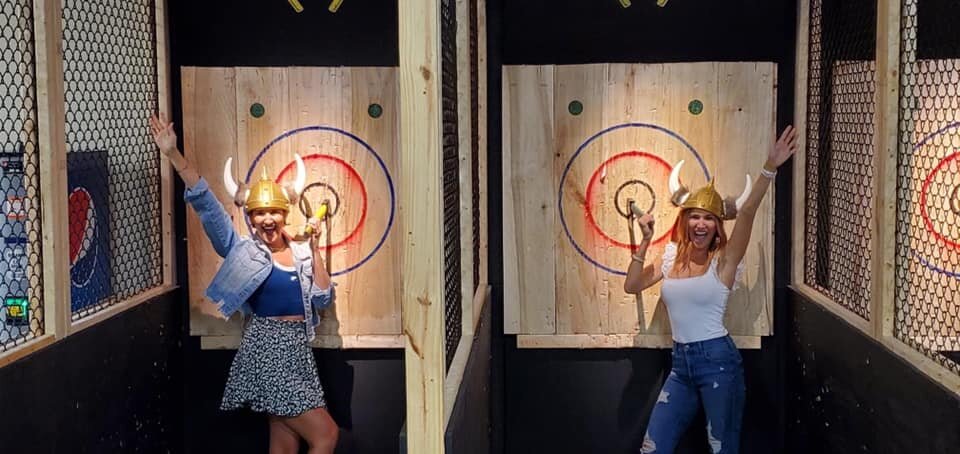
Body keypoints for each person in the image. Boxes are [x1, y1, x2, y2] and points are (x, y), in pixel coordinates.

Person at [149, 114, 339, 454]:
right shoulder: (242, 250)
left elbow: (323, 299)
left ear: (284, 214)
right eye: (258, 214)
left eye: (274, 212)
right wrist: (173, 154)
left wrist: (314, 247)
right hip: (268, 349)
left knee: (283, 444)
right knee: (325, 435)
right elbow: (207, 205)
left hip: (296, 349)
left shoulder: (300, 253)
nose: (267, 219)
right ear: (250, 218)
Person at [624, 126, 797, 454]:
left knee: (723, 449)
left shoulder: (725, 262)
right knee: (652, 448)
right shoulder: (671, 256)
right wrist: (645, 241)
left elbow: (746, 212)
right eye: (695, 217)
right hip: (681, 366)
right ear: (685, 220)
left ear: (718, 226)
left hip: (718, 362)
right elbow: (631, 285)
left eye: (709, 219)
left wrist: (769, 167)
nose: (700, 224)